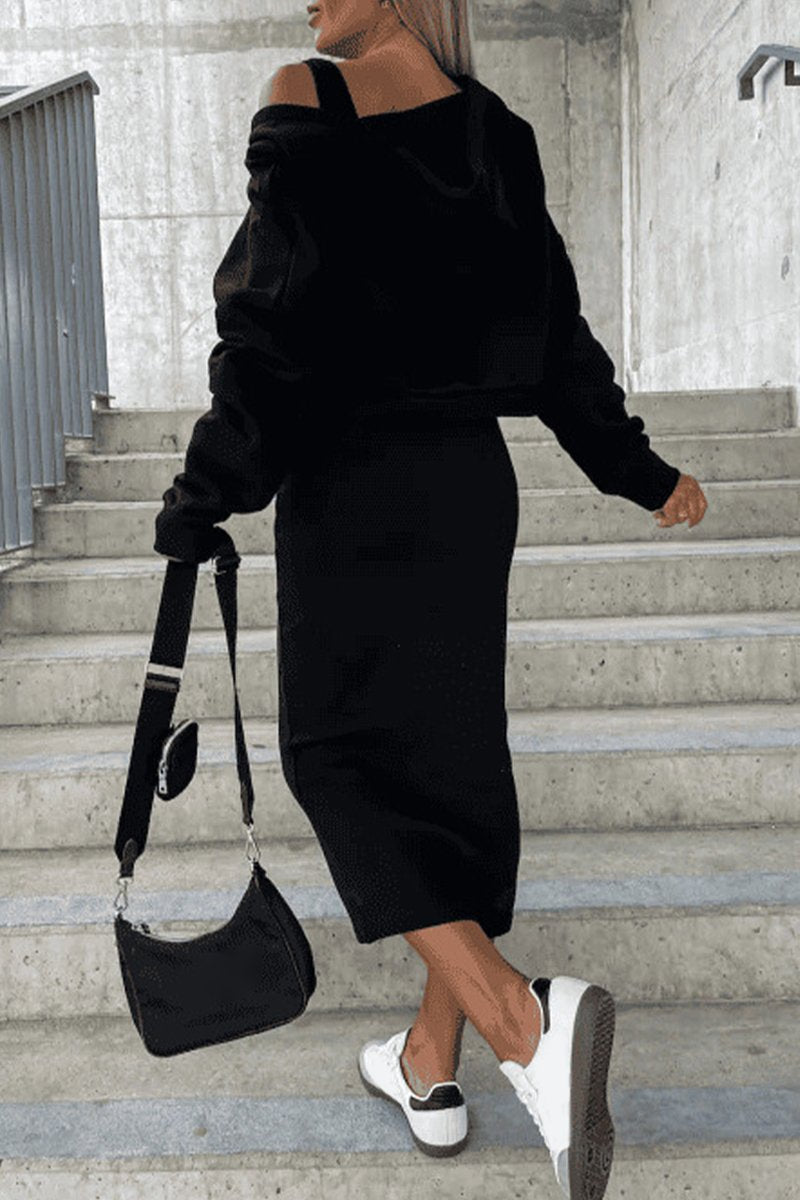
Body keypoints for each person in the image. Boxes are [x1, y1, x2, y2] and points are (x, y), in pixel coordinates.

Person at [155, 1, 708, 1195]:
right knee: (441, 768)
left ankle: (520, 1022)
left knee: (337, 759)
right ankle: (426, 1060)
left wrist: (206, 491)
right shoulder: (493, 132)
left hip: (350, 485)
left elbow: (268, 327)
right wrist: (636, 469)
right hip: (465, 487)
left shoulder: (311, 97)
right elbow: (555, 334)